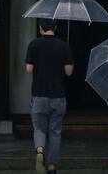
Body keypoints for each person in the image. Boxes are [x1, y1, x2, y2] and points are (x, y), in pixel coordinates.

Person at [25, 18, 74, 174]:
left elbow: (28, 69)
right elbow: (69, 72)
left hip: (39, 95)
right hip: (58, 96)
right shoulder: (64, 46)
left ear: (40, 28)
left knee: (39, 129)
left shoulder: (34, 44)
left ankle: (40, 152)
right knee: (55, 132)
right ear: (56, 27)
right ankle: (52, 166)